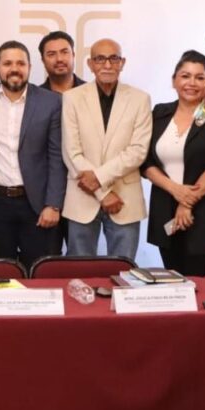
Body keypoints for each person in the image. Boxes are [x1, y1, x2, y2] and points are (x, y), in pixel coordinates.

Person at [0, 41, 64, 269]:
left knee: (38, 270)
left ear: (30, 67)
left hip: (35, 204)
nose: (14, 69)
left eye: (21, 63)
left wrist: (53, 204)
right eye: (8, 63)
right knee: (0, 271)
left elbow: (56, 157)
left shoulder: (50, 101)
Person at [142, 50, 205, 276]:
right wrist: (175, 190)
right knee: (173, 281)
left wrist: (186, 202)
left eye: (199, 77)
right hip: (165, 211)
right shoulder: (160, 113)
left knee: (203, 282)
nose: (191, 83)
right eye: (185, 76)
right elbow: (146, 162)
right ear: (174, 80)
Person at [61, 38, 152, 259]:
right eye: (100, 59)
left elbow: (138, 151)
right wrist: (103, 193)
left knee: (124, 269)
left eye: (114, 58)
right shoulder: (72, 98)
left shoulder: (140, 99)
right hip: (82, 196)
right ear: (90, 64)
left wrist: (99, 178)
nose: (108, 65)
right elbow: (72, 152)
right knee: (80, 270)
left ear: (123, 62)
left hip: (125, 199)